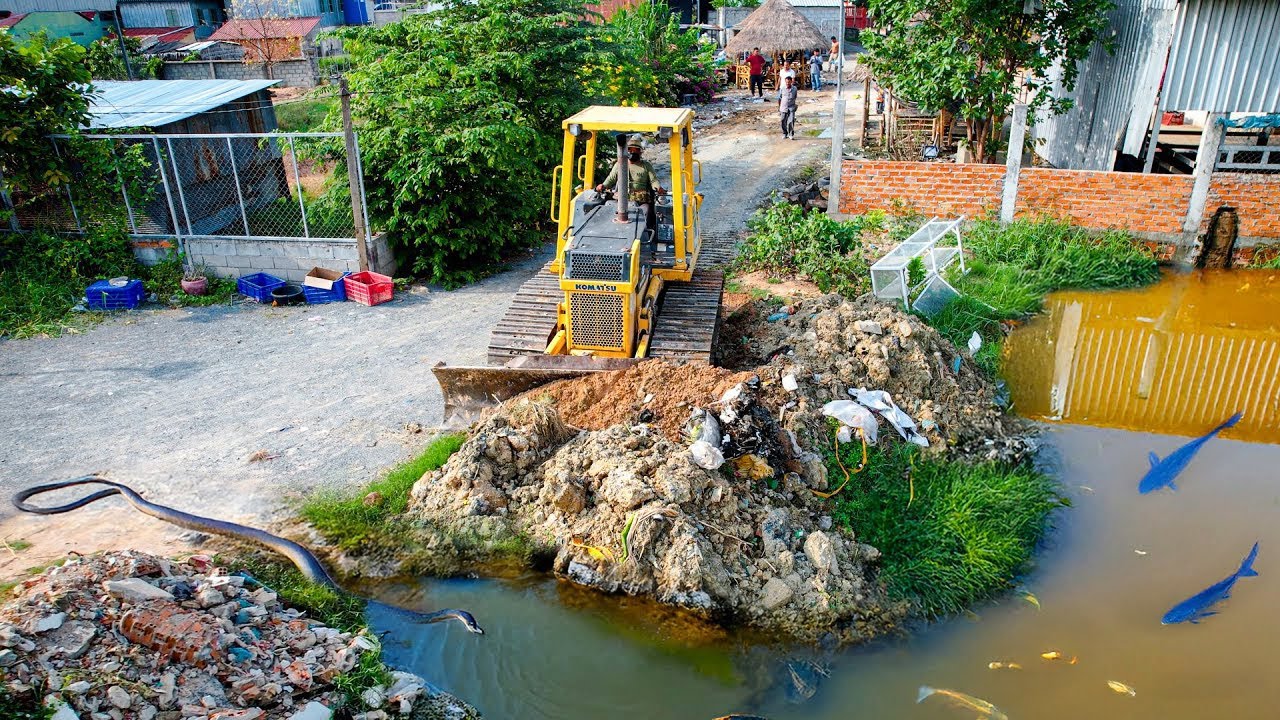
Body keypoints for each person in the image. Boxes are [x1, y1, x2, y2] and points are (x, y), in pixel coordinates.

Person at [596, 138, 664, 230]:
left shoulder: (646, 166)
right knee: (608, 209)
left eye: (636, 150)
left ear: (640, 152)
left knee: (645, 211)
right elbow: (611, 179)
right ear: (626, 151)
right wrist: (603, 186)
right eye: (630, 150)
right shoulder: (619, 164)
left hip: (641, 201)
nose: (632, 152)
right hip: (621, 201)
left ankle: (646, 233)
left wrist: (658, 188)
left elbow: (653, 181)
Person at [779, 75, 798, 140]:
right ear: (785, 82)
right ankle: (785, 133)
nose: (787, 83)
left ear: (791, 82)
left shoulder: (794, 89)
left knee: (791, 120)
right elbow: (779, 98)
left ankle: (791, 134)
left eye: (789, 82)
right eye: (786, 82)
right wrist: (779, 107)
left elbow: (795, 97)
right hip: (783, 107)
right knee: (783, 120)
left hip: (791, 107)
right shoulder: (782, 88)